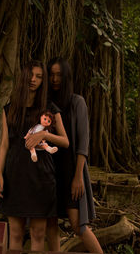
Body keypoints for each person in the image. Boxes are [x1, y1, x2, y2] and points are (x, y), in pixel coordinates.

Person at [0, 60, 69, 251]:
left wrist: (44, 134)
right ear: (23, 77)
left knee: (37, 234)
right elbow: (4, 145)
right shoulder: (9, 109)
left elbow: (65, 141)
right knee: (16, 234)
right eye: (31, 75)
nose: (33, 80)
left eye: (39, 76)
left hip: (41, 178)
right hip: (15, 176)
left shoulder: (49, 108)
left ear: (43, 81)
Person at [45, 57, 103, 253]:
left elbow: (83, 144)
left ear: (66, 76)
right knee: (50, 224)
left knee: (78, 225)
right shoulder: (46, 104)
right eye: (51, 74)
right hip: (49, 170)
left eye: (59, 75)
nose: (54, 79)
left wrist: (78, 176)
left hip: (71, 170)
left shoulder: (77, 102)